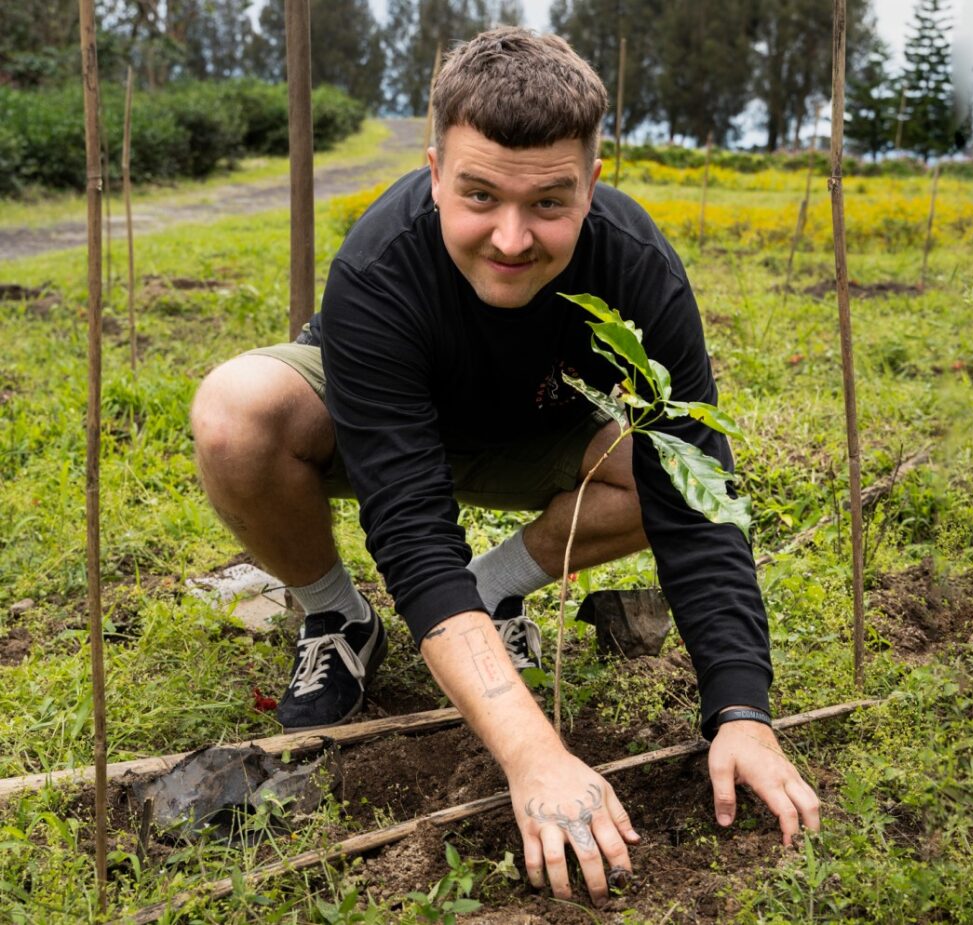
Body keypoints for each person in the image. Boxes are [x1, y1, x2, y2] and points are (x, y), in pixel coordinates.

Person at [190, 26, 819, 908]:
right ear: (435, 170)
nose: (512, 238)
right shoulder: (379, 267)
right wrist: (534, 754)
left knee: (665, 460)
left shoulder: (638, 266)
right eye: (479, 194)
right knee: (234, 413)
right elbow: (409, 525)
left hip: (536, 430)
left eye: (549, 204)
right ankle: (338, 620)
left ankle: (494, 588)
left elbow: (695, 493)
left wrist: (743, 710)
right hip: (380, 432)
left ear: (593, 185)